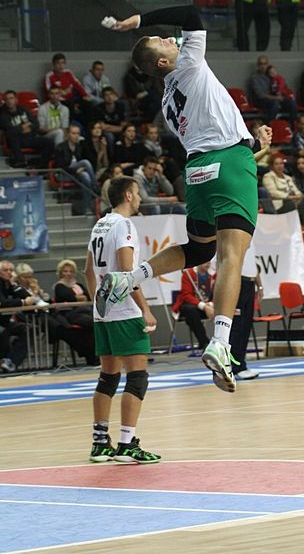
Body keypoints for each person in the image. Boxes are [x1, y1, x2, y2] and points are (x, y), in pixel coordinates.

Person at [97, 4, 272, 393]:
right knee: (232, 256)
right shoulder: (189, 63)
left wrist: (252, 144)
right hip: (229, 163)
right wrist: (138, 22)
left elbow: (212, 135)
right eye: (162, 41)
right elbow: (192, 14)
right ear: (163, 61)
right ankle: (221, 343)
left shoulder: (167, 100)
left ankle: (129, 279)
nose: (169, 38)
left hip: (198, 171)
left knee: (198, 249)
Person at [84, 175, 160, 463]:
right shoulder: (124, 225)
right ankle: (127, 444)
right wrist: (145, 309)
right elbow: (128, 273)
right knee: (137, 377)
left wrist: (98, 302)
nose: (140, 198)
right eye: (137, 193)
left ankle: (100, 442)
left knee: (108, 377)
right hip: (125, 312)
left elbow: (88, 270)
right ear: (128, 195)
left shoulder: (100, 224)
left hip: (102, 313)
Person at [230, 238, 262, 380]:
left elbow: (253, 264)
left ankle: (241, 364)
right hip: (237, 282)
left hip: (250, 284)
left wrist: (259, 285)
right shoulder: (233, 235)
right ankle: (234, 366)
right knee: (237, 326)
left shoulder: (250, 236)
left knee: (246, 326)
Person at [0, 90, 53, 168]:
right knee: (12, 136)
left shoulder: (23, 109)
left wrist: (28, 128)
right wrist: (23, 127)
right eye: (6, 99)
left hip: (29, 137)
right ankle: (20, 161)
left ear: (16, 100)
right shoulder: (2, 114)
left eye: (11, 98)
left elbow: (36, 124)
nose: (9, 101)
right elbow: (10, 131)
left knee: (49, 142)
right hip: (16, 140)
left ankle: (42, 165)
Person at [0, 260, 35, 373]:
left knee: (28, 329)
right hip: (1, 323)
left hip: (4, 321)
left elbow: (28, 297)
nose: (9, 272)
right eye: (5, 270)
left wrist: (14, 284)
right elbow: (2, 303)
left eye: (11, 270)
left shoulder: (8, 283)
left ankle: (11, 362)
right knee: (3, 333)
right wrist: (22, 302)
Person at [54, 124, 99, 214]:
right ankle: (95, 188)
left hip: (77, 174)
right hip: (64, 174)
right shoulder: (60, 147)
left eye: (78, 133)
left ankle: (87, 208)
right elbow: (60, 167)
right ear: (68, 134)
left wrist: (79, 171)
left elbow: (90, 160)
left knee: (85, 176)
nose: (76, 136)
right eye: (73, 133)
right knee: (85, 162)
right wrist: (75, 171)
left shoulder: (79, 146)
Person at [172, 262, 215, 351]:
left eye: (209, 261)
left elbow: (218, 293)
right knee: (191, 311)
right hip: (190, 306)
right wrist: (204, 306)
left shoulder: (213, 275)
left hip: (209, 305)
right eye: (205, 261)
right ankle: (204, 342)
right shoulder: (188, 274)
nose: (207, 264)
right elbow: (186, 295)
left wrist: (210, 304)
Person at [249, 55, 297, 126]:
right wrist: (276, 98)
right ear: (258, 65)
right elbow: (260, 94)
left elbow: (283, 86)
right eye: (261, 64)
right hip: (261, 100)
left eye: (265, 64)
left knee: (291, 103)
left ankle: (291, 126)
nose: (263, 66)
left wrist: (280, 92)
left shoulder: (272, 75)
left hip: (275, 98)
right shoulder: (255, 78)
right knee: (275, 104)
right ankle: (269, 126)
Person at [44, 52, 91, 123]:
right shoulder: (49, 76)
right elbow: (50, 93)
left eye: (62, 63)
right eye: (58, 63)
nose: (61, 66)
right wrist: (63, 93)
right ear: (53, 65)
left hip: (72, 99)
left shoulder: (68, 72)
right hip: (59, 101)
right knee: (70, 106)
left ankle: (90, 126)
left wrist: (85, 95)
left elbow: (77, 85)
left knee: (88, 104)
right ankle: (70, 126)